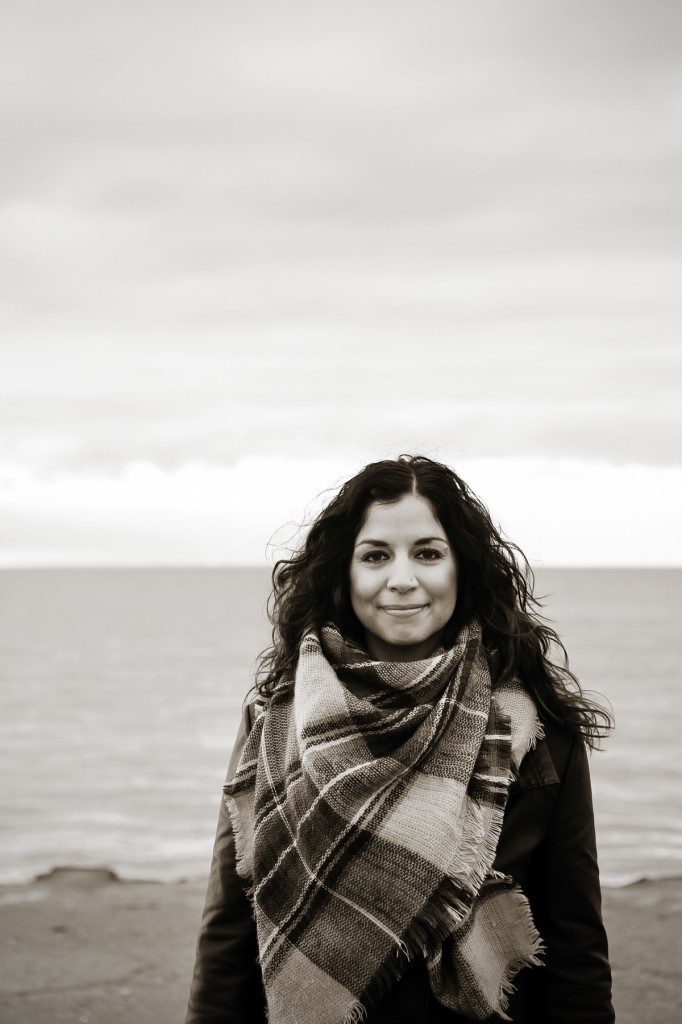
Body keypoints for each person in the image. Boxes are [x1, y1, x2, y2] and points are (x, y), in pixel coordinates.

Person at [185, 455, 615, 1024]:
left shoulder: (536, 732)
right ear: (344, 573)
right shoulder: (275, 721)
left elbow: (574, 945)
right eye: (375, 556)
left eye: (428, 553)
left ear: (462, 568)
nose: (403, 578)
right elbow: (231, 929)